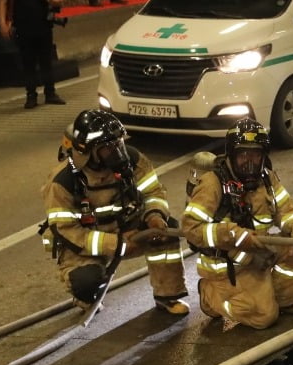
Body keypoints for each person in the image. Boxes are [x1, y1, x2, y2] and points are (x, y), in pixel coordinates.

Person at [41, 110, 189, 315]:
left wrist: (154, 215)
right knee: (86, 281)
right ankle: (86, 298)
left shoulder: (133, 160)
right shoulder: (63, 182)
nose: (118, 152)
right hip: (88, 243)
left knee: (167, 230)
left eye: (118, 143)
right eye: (108, 148)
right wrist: (118, 244)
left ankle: (168, 295)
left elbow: (153, 192)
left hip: (127, 228)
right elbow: (68, 231)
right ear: (88, 152)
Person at [181, 119, 293, 330]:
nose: (249, 162)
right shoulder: (212, 183)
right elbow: (190, 228)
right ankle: (211, 296)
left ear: (264, 155)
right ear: (232, 155)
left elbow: (288, 210)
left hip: (257, 254)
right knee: (264, 317)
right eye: (243, 155)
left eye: (255, 154)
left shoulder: (268, 179)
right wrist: (231, 234)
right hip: (227, 264)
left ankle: (283, 301)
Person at [0, 0, 67, 108]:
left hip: (43, 28)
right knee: (27, 63)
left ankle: (50, 93)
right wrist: (3, 23)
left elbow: (60, 1)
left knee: (46, 62)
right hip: (23, 29)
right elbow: (2, 3)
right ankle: (31, 95)